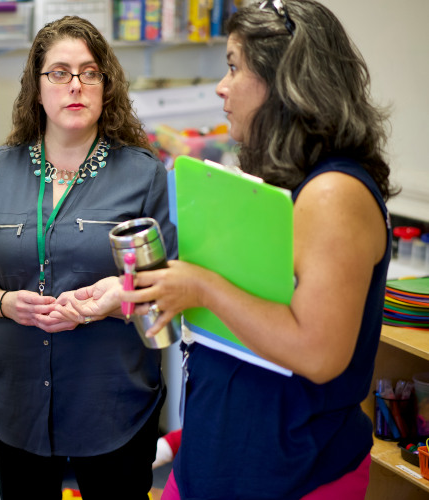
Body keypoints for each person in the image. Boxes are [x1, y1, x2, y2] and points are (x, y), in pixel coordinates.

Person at [110, 1, 396, 498]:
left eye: (233, 67)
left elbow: (318, 352)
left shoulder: (334, 194)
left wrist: (200, 286)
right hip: (219, 459)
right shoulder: (282, 182)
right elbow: (252, 310)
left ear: (283, 81)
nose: (221, 87)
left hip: (292, 476)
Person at [0, 16, 177, 500]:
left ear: (105, 86)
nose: (75, 85)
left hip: (113, 400)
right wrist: (9, 303)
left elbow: (163, 289)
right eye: (59, 72)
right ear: (36, 88)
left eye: (89, 72)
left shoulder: (143, 173)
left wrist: (112, 299)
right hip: (18, 399)